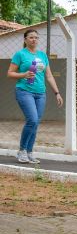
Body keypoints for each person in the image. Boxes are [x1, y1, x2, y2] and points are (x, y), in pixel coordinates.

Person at [7, 29, 63, 163]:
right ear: (25, 40)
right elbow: (10, 73)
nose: (34, 40)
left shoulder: (43, 55)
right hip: (24, 91)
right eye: (31, 37)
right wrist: (23, 74)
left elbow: (49, 76)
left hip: (40, 93)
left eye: (36, 38)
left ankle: (30, 152)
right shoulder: (20, 54)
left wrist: (57, 93)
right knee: (32, 120)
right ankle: (22, 151)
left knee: (35, 123)